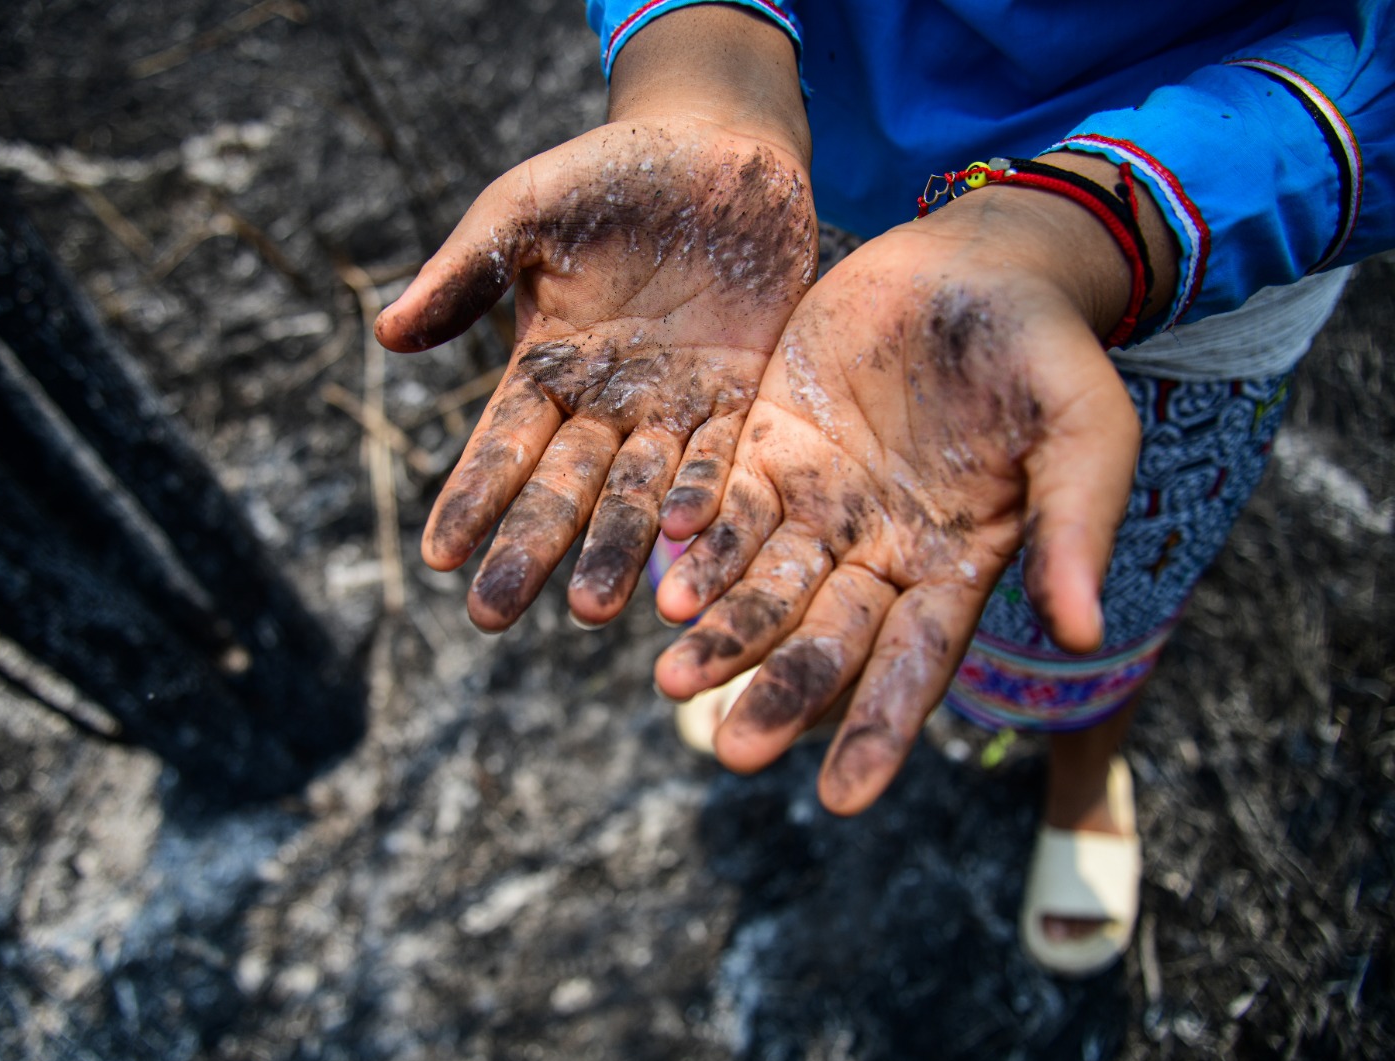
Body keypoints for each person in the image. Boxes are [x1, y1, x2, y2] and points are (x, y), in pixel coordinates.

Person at [375, 1, 1392, 975]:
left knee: (1095, 599)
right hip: (812, 202)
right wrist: (704, 80)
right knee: (787, 504)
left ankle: (1082, 775)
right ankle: (808, 657)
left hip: (1185, 260)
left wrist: (1091, 229)